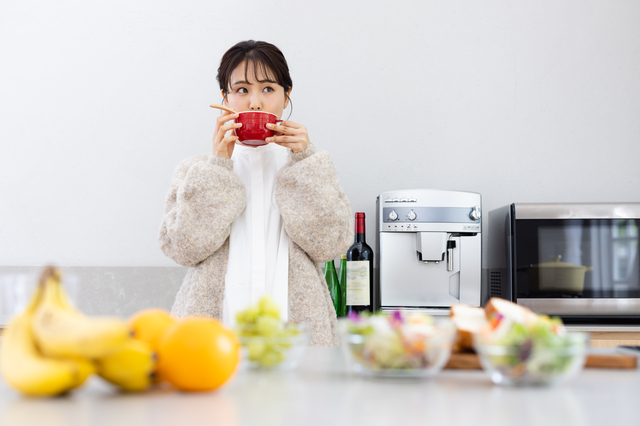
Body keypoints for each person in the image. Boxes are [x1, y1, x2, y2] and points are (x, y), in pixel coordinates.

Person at [158, 40, 352, 345]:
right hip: (212, 340)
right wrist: (218, 165)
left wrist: (306, 161)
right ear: (225, 98)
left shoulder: (309, 167)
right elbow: (182, 248)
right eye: (242, 90)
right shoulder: (197, 170)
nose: (255, 103)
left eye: (268, 89)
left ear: (286, 96)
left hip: (296, 339)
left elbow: (330, 245)